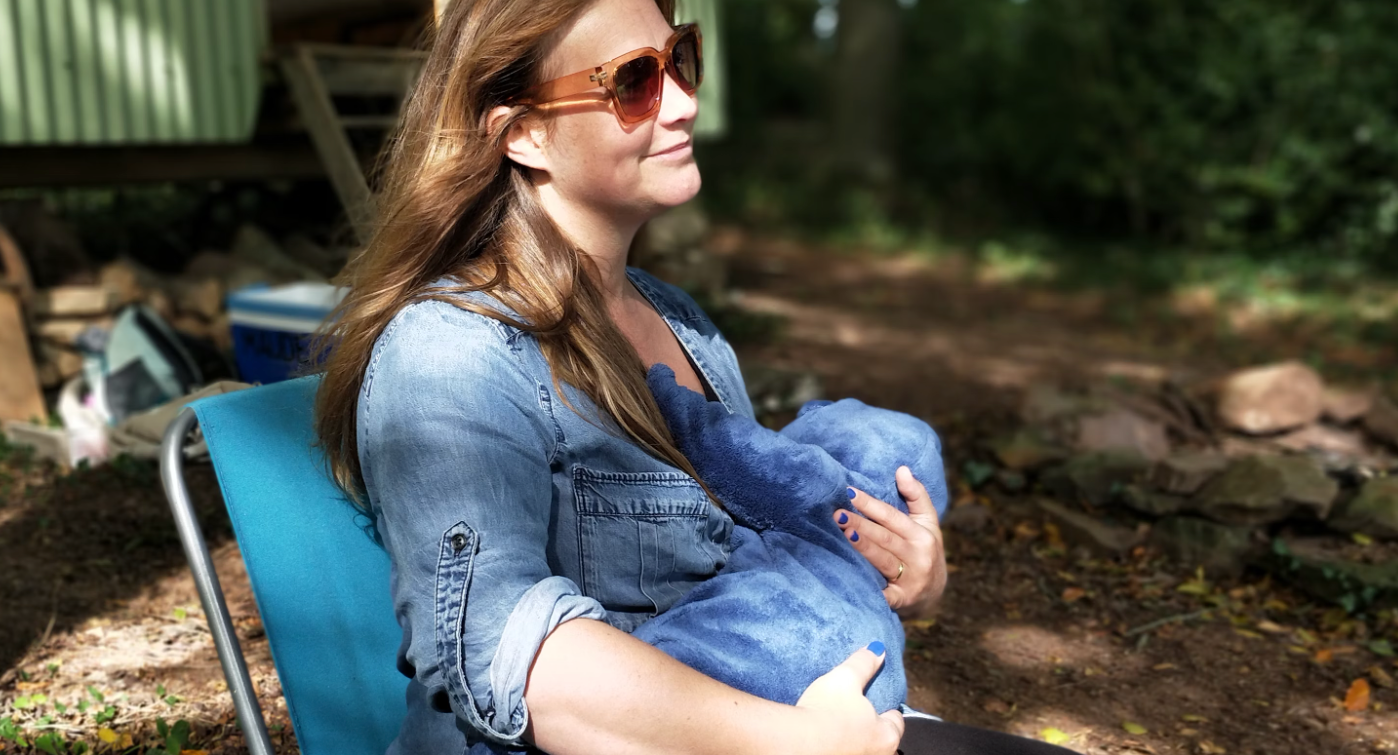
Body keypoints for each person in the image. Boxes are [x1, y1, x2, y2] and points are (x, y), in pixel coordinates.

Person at [314, 0, 1074, 753]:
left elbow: (759, 539)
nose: (684, 102)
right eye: (634, 81)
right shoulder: (452, 352)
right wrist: (795, 742)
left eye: (678, 58)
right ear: (525, 134)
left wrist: (892, 561)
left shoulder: (679, 321)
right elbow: (515, 653)